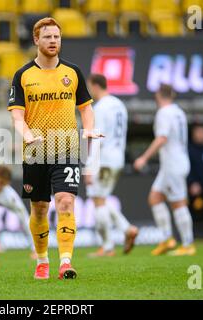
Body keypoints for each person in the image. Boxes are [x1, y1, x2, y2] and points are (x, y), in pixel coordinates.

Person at [8, 17, 103, 280]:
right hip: (36, 153)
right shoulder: (23, 75)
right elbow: (17, 116)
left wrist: (89, 128)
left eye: (57, 37)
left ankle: (65, 262)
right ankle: (41, 260)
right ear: (36, 40)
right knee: (39, 208)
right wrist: (27, 135)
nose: (53, 41)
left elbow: (85, 108)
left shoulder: (72, 73)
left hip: (68, 150)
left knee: (65, 202)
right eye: (48, 37)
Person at [134, 84, 196, 256]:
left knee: (178, 203)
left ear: (159, 95)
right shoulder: (179, 112)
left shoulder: (164, 112)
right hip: (176, 162)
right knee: (155, 198)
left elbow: (162, 138)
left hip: (172, 164)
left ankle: (188, 244)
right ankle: (167, 239)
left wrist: (143, 158)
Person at [85, 74, 138, 257]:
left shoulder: (100, 107)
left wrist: (90, 166)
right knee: (103, 198)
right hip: (117, 158)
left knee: (98, 199)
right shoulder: (119, 105)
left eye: (89, 86)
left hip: (104, 159)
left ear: (95, 85)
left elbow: (97, 137)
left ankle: (107, 247)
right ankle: (127, 229)